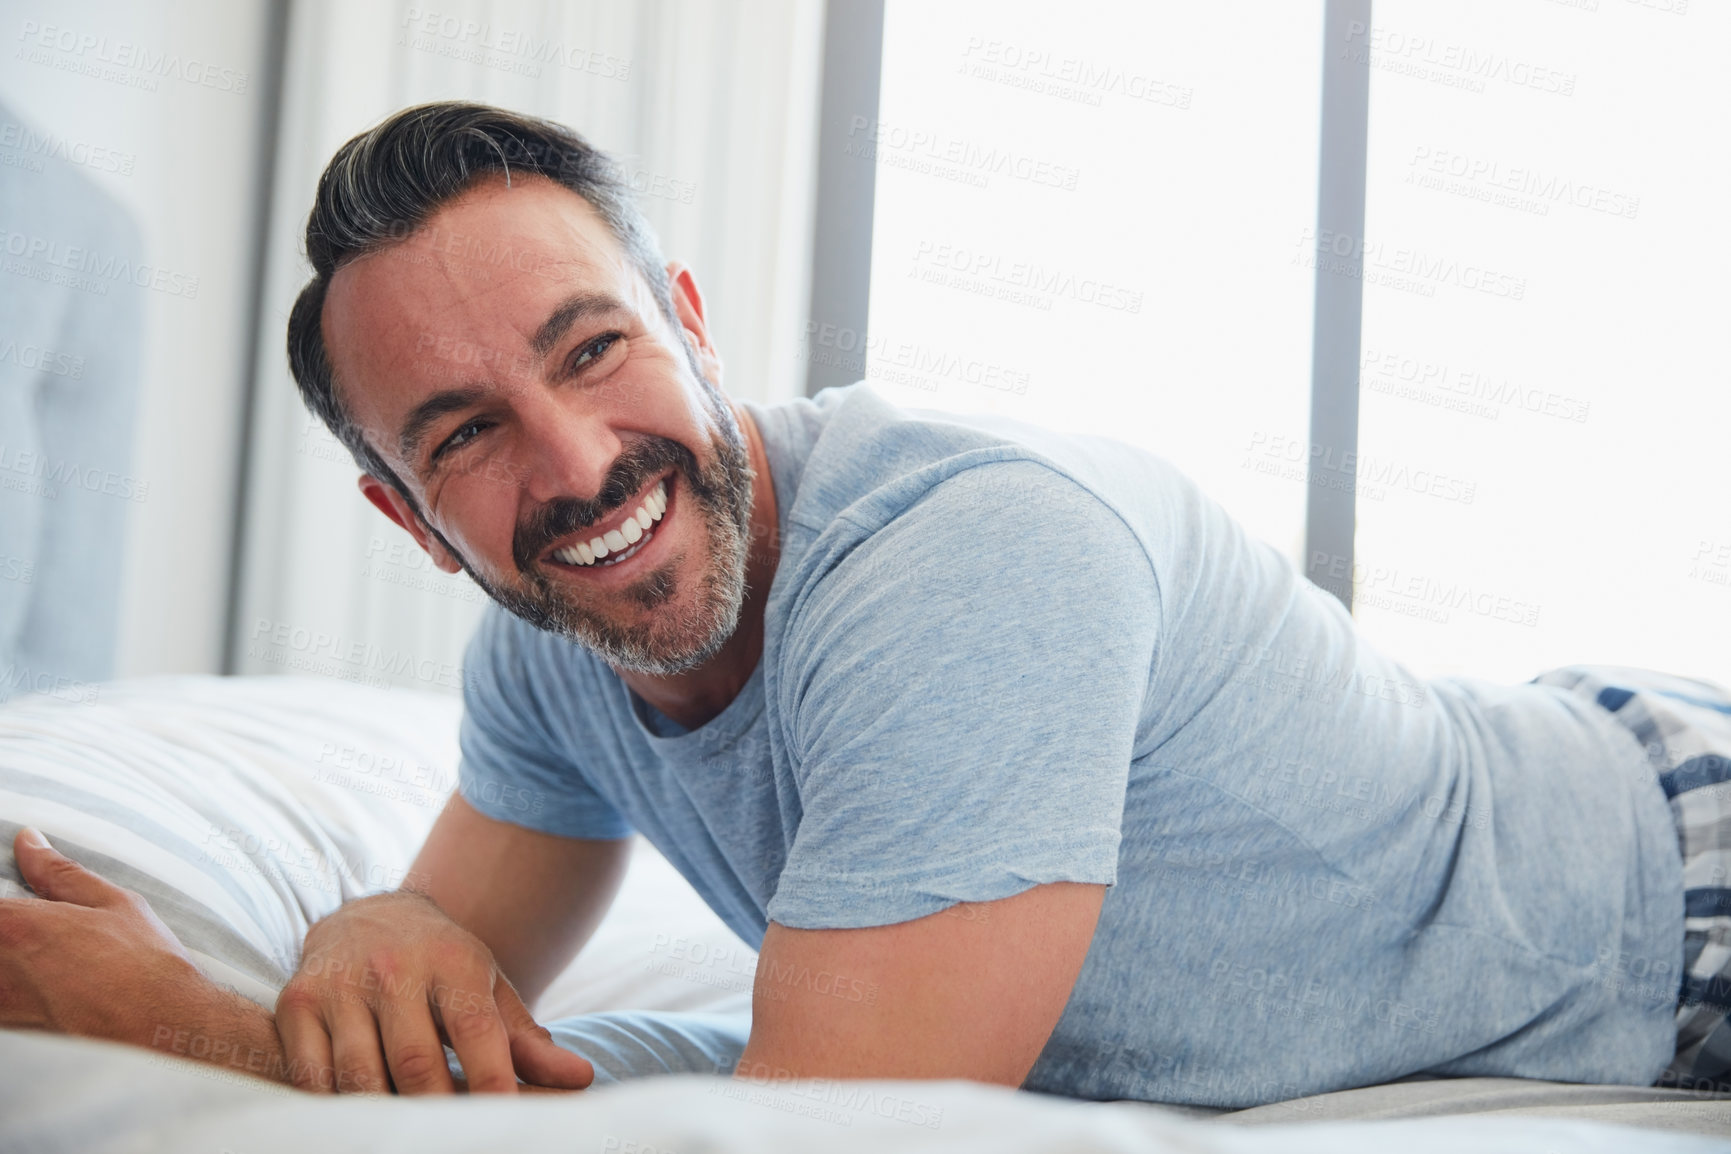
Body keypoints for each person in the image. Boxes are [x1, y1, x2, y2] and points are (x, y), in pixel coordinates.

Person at [2, 101, 1727, 1105]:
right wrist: (363, 934)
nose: (581, 460)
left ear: (690, 318)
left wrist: (191, 1029)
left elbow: (816, 1131)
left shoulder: (963, 566)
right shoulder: (555, 655)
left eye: (593, 348)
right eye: (468, 434)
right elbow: (465, 1011)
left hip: (1667, 873)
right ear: (405, 510)